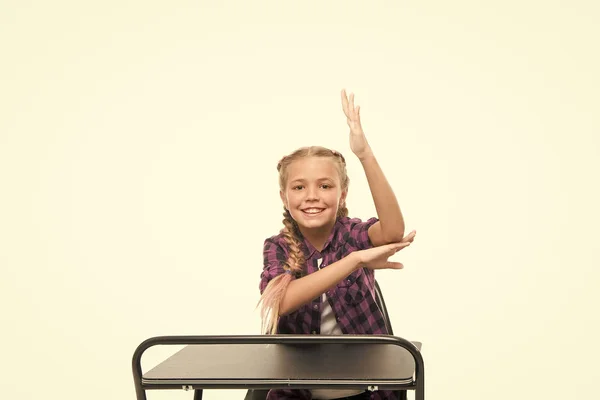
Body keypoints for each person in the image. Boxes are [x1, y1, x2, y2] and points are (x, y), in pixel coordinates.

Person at [257, 90, 417, 400]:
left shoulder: (350, 234)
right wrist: (354, 262)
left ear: (342, 194)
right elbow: (281, 302)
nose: (312, 195)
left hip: (369, 391)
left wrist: (365, 153)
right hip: (298, 391)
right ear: (284, 197)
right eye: (300, 187)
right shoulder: (277, 247)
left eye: (325, 186)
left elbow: (394, 229)